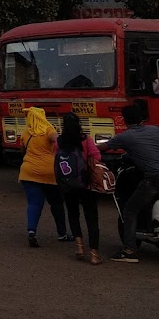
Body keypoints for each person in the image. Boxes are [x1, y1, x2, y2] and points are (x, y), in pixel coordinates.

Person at [101, 103, 159, 263]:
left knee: (130, 210)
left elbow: (101, 148)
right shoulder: (155, 129)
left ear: (125, 120)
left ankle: (130, 250)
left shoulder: (124, 136)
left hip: (155, 178)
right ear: (142, 119)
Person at [18, 107, 69, 248]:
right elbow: (57, 141)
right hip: (50, 173)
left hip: (28, 173)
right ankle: (62, 233)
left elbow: (22, 150)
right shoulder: (48, 130)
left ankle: (31, 231)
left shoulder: (26, 133)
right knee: (57, 204)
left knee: (34, 204)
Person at [57, 112, 103, 265]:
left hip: (68, 183)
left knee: (73, 214)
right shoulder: (85, 139)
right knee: (91, 218)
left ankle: (80, 247)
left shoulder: (60, 141)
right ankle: (94, 254)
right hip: (86, 183)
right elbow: (97, 157)